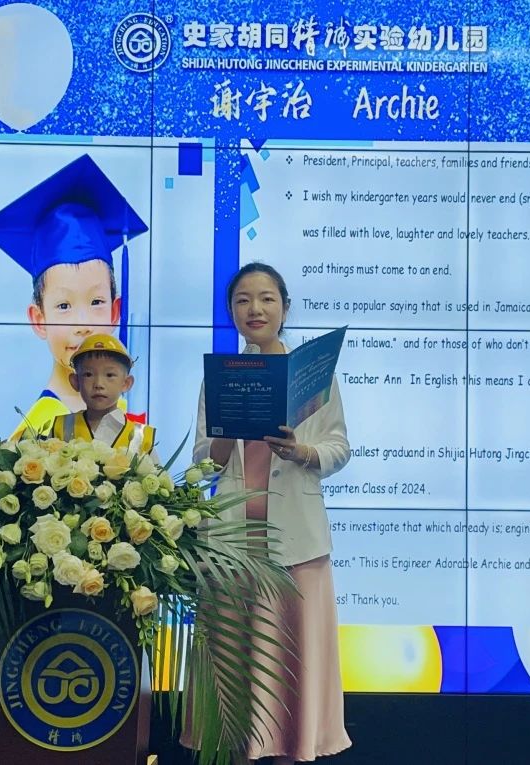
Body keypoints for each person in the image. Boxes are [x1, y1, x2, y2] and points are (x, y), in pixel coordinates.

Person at [187, 262, 352, 764]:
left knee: (291, 670)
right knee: (237, 671)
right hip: (232, 547)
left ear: (284, 307)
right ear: (231, 311)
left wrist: (300, 451)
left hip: (297, 546)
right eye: (242, 300)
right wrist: (227, 431)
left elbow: (339, 448)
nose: (254, 309)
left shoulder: (316, 378)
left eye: (266, 298)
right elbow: (202, 462)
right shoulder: (220, 378)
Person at [0, 154, 148, 439]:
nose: (82, 324)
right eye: (64, 305)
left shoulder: (123, 413)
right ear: (39, 319)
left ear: (115, 312)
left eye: (96, 302)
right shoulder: (36, 432)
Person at [45, 333, 159, 460]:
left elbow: (154, 473)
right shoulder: (60, 427)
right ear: (75, 382)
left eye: (109, 375)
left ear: (126, 383)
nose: (98, 384)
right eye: (88, 374)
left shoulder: (142, 437)